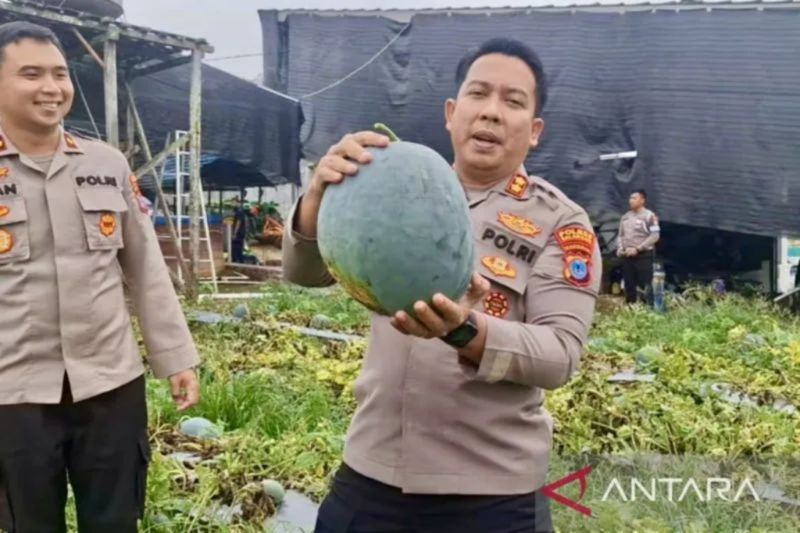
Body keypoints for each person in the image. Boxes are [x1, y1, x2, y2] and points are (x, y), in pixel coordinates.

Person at [283, 38, 601, 532]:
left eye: (513, 101)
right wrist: (317, 196)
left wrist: (464, 331)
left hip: (493, 498)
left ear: (535, 131)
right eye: (478, 93)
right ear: (452, 113)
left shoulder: (559, 221)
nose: (491, 112)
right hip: (370, 477)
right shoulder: (391, 186)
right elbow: (305, 273)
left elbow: (559, 354)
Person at [0, 21, 201, 533]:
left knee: (114, 521)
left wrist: (176, 357)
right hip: (14, 392)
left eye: (60, 74)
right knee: (28, 524)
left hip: (110, 384)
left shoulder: (105, 163)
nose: (52, 87)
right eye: (31, 74)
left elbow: (146, 267)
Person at [616, 189, 660, 304]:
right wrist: (620, 248)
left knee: (645, 286)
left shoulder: (650, 216)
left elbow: (655, 236)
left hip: (643, 256)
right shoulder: (625, 217)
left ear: (642, 200)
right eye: (630, 198)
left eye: (634, 198)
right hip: (627, 256)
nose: (631, 200)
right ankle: (631, 309)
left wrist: (638, 248)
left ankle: (647, 310)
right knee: (629, 286)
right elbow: (620, 235)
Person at [231, 195, 247, 263]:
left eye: (233, 202)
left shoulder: (239, 211)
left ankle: (239, 262)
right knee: (237, 249)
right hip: (240, 233)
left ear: (237, 202)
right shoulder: (239, 211)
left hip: (239, 233)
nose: (232, 204)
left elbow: (238, 223)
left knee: (236, 249)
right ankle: (238, 262)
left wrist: (235, 233)